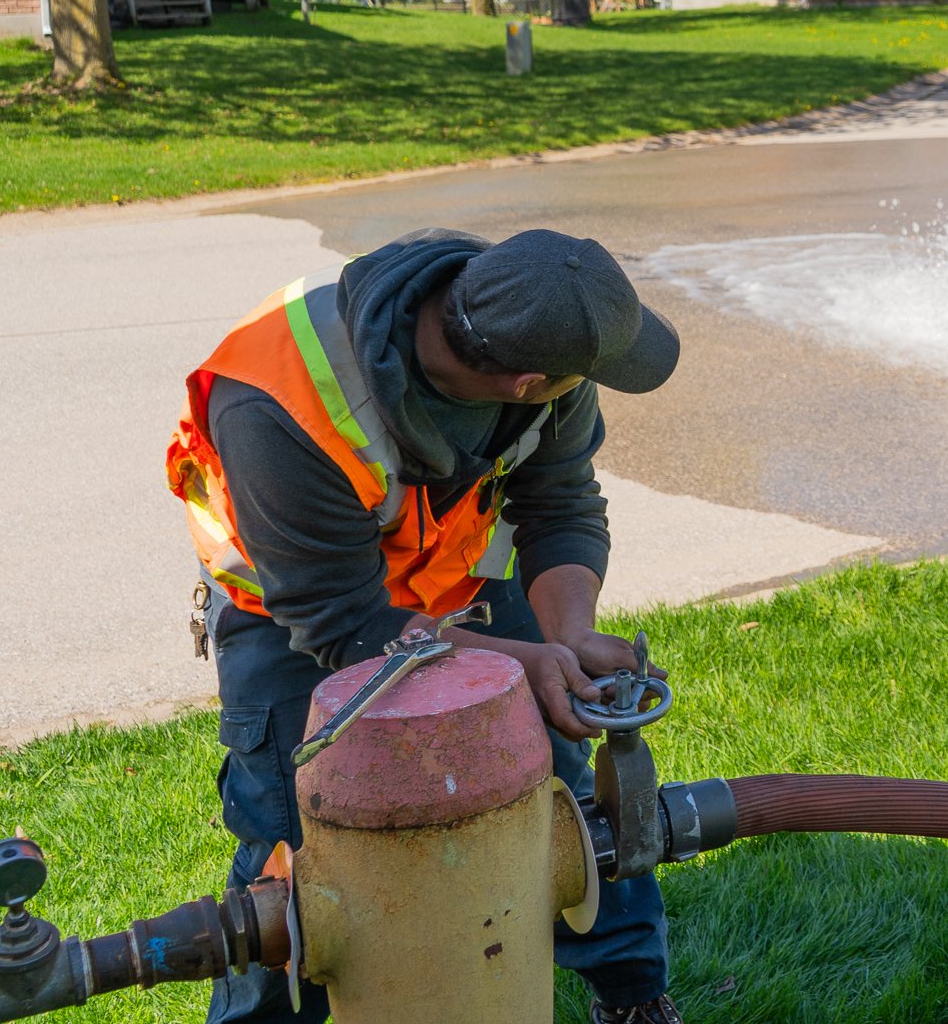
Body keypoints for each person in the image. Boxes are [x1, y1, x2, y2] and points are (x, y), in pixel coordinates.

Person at [168, 227, 684, 1024]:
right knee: (296, 851)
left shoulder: (524, 323)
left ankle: (632, 993)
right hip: (299, 619)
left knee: (561, 793)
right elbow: (346, 627)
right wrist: (523, 665)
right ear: (525, 380)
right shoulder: (280, 403)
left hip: (455, 588)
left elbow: (562, 502)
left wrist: (566, 637)